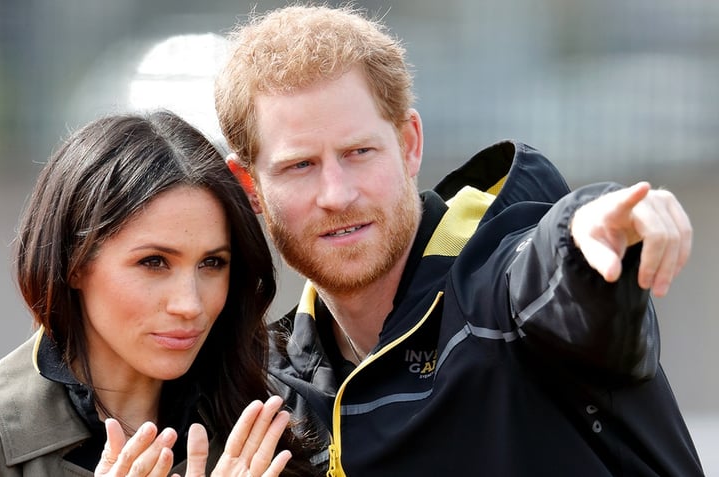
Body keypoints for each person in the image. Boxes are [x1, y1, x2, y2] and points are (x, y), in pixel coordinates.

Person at [213, 4, 704, 476]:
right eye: (301, 165)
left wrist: (585, 232)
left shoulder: (500, 291)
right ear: (250, 186)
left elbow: (545, 268)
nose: (337, 194)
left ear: (409, 145)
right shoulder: (264, 394)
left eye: (359, 152)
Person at [0, 110, 318, 477]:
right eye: (153, 262)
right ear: (74, 263)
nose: (189, 304)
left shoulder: (272, 426)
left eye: (212, 264)